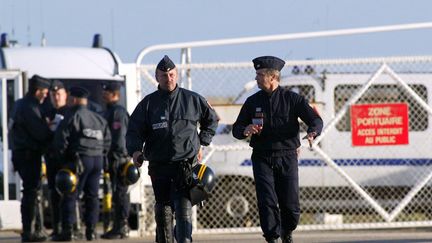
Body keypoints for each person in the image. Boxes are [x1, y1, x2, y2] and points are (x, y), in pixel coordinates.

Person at [126, 55, 218, 243]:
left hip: (185, 167)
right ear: (157, 77)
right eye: (164, 75)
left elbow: (212, 119)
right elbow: (134, 130)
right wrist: (135, 151)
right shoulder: (148, 104)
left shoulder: (192, 99)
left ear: (177, 75)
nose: (169, 78)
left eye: (172, 74)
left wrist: (202, 142)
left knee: (183, 213)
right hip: (159, 166)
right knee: (163, 213)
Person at [232, 56, 323, 243]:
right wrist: (246, 130)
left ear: (272, 77)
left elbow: (315, 120)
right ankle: (272, 237)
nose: (256, 78)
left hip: (287, 156)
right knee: (266, 201)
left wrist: (313, 133)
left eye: (259, 75)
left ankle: (287, 231)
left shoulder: (292, 99)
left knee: (290, 205)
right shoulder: (252, 102)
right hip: (262, 157)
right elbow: (236, 129)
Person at [52, 86, 111, 241]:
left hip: (78, 161)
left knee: (71, 195)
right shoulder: (99, 119)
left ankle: (68, 231)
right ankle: (91, 231)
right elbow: (107, 141)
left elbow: (60, 141)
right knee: (92, 196)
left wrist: (63, 160)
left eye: (70, 98)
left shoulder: (72, 116)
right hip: (97, 160)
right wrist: (101, 154)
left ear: (75, 99)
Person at [9, 75, 53, 242]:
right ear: (37, 90)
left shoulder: (20, 104)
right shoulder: (30, 107)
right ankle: (31, 230)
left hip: (20, 154)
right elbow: (39, 133)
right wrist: (52, 132)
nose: (46, 95)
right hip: (28, 154)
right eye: (44, 91)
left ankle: (32, 229)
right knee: (31, 193)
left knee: (30, 192)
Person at [100, 82, 131, 239]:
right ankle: (117, 225)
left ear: (115, 94)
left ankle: (122, 226)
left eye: (108, 92)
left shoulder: (118, 112)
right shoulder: (108, 111)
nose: (104, 94)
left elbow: (119, 139)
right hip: (112, 158)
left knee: (120, 193)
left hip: (118, 159)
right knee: (116, 192)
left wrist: (116, 156)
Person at [43, 80, 69, 239]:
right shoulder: (47, 113)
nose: (56, 98)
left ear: (65, 95)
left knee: (69, 194)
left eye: (59, 94)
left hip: (66, 161)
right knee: (54, 194)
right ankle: (57, 226)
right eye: (53, 95)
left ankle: (69, 227)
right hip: (52, 160)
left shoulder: (70, 112)